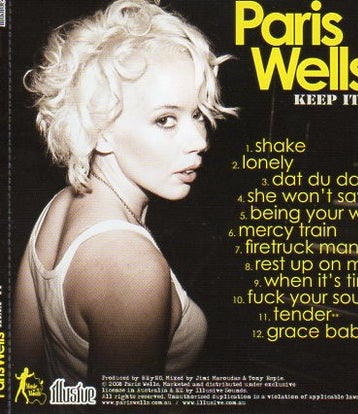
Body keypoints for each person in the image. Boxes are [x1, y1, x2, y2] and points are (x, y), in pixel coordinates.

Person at [13, 0, 236, 386]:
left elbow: (24, 379)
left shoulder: (61, 206)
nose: (199, 141)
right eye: (165, 120)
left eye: (197, 114)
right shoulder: (132, 268)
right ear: (99, 130)